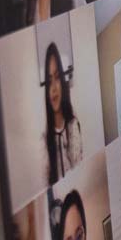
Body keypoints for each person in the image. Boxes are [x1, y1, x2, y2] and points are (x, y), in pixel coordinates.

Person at [42, 42, 83, 184]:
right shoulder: (44, 140)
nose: (53, 88)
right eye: (49, 81)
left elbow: (79, 168)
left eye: (57, 77)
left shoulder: (73, 126)